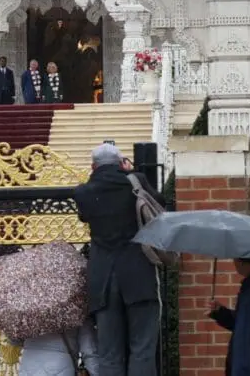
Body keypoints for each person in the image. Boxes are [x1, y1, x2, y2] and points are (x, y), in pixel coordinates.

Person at [73, 143, 164, 376]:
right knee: (142, 349)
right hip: (138, 274)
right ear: (121, 163)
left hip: (103, 279)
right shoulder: (135, 181)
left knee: (109, 353)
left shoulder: (83, 192)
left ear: (93, 166)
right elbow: (160, 205)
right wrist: (129, 172)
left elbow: (85, 215)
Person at [16, 318, 100, 376]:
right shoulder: (77, 308)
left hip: (29, 364)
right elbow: (89, 352)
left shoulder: (27, 307)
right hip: (59, 365)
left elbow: (14, 340)